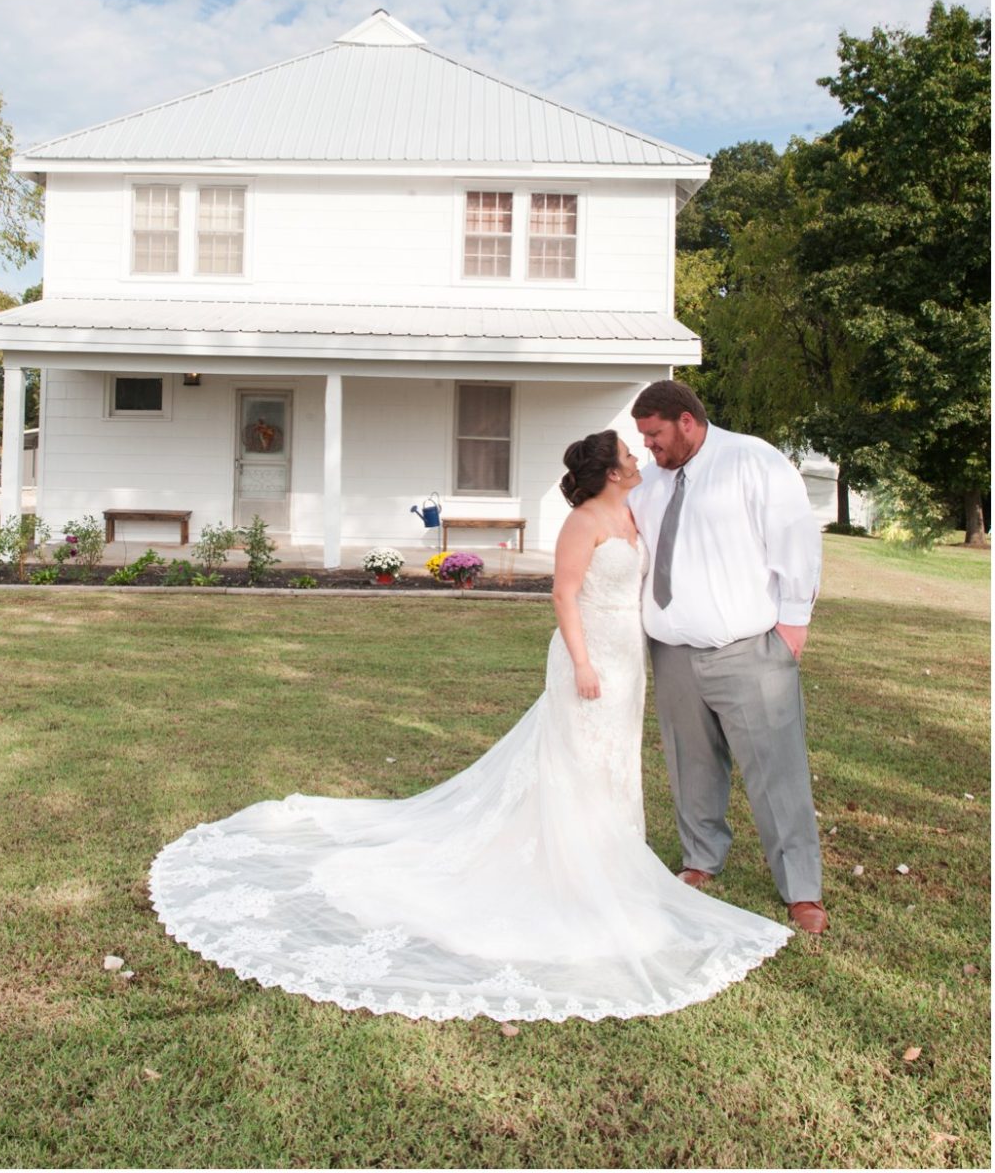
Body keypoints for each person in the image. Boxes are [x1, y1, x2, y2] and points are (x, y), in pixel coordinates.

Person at [151, 430, 790, 1022]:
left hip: (629, 661)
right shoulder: (584, 521)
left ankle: (608, 853)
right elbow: (565, 595)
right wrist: (583, 662)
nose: (639, 457)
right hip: (590, 656)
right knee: (577, 757)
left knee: (613, 760)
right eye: (629, 452)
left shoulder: (632, 510)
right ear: (609, 471)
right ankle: (573, 867)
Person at [628, 380, 827, 934]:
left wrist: (792, 625)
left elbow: (795, 541)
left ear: (686, 421)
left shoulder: (753, 460)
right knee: (690, 766)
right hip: (671, 655)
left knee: (776, 772)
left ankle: (801, 889)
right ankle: (700, 859)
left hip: (749, 652)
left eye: (655, 435)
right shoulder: (646, 485)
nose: (648, 446)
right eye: (643, 437)